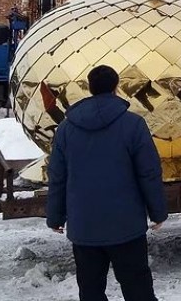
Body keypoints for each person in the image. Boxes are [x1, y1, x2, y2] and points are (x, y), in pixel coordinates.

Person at [47, 65, 167, 301]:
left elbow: (58, 176)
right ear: (116, 87)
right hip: (127, 226)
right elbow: (149, 172)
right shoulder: (133, 125)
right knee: (138, 289)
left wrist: (55, 216)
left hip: (84, 226)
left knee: (90, 291)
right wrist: (158, 212)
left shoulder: (66, 129)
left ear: (90, 88)